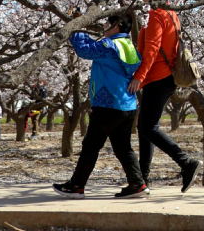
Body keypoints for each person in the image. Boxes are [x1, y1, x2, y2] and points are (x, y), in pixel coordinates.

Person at [53, 14, 148, 199]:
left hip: (107, 104)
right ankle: (137, 184)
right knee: (123, 147)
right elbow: (95, 47)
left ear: (117, 25)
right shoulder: (127, 45)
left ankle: (76, 186)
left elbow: (85, 50)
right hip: (127, 104)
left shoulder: (109, 46)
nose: (104, 25)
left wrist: (76, 28)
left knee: (91, 145)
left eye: (107, 22)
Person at [127, 0, 201, 193]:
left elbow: (151, 49)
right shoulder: (172, 14)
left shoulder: (155, 16)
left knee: (147, 127)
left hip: (156, 77)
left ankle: (186, 162)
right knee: (146, 128)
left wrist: (139, 76)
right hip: (166, 77)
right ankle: (142, 180)